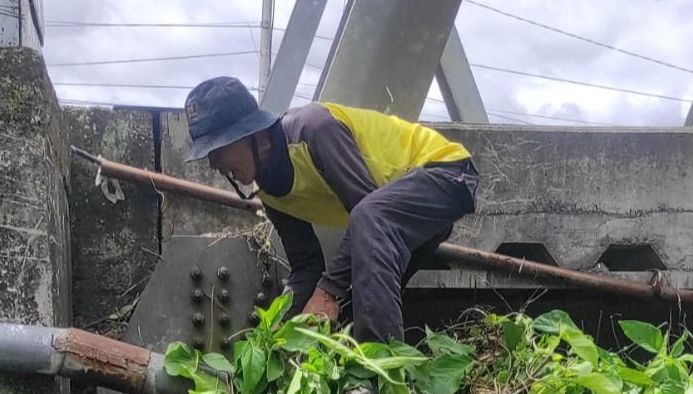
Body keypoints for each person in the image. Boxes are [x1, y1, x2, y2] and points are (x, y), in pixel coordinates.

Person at [184, 76, 478, 343]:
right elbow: (306, 267)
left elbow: (370, 213)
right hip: (400, 219)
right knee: (351, 306)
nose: (214, 165)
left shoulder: (313, 129)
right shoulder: (270, 192)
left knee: (358, 241)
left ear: (250, 134)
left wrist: (327, 292)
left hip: (445, 172)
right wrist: (283, 325)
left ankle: (376, 382)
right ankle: (377, 371)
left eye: (217, 151)